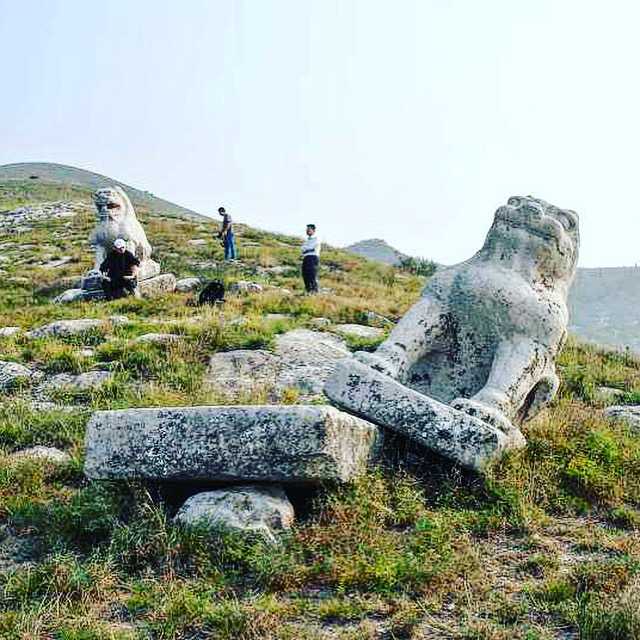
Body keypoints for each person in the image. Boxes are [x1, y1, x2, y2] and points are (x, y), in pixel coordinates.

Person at [301, 223, 321, 293]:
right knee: (305, 274)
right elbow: (302, 249)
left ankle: (315, 291)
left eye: (309, 229)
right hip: (306, 258)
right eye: (307, 230)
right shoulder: (306, 240)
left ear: (313, 230)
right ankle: (308, 291)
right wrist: (307, 249)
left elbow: (312, 248)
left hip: (313, 258)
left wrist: (307, 249)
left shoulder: (316, 238)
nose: (307, 231)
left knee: (312, 275)